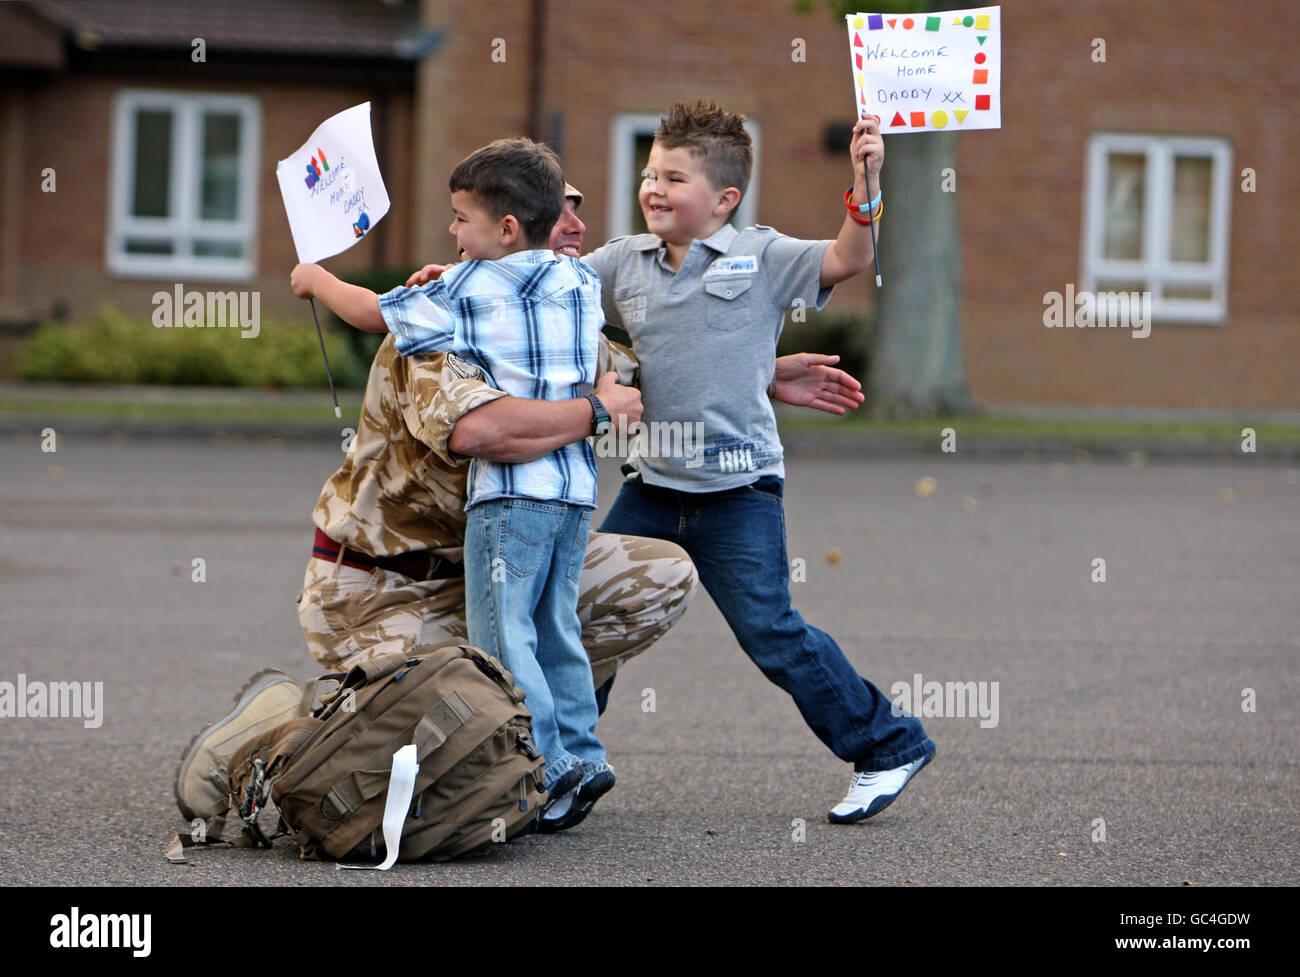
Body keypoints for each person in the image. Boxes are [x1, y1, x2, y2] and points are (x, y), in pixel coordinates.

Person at [175, 183, 695, 834]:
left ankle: (529, 750)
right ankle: (283, 730)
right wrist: (595, 411)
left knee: (658, 579)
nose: (577, 224)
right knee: (434, 741)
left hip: (487, 571)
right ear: (510, 226)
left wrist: (764, 375)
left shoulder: (560, 306)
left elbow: (641, 374)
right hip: (383, 589)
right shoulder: (441, 319)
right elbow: (479, 430)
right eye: (558, 208)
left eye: (580, 207)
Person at [579, 101, 936, 823]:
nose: (653, 188)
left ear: (724, 199)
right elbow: (551, 300)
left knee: (772, 631)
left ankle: (887, 743)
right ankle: (563, 763)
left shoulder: (762, 255)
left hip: (739, 494)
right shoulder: (621, 262)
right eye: (649, 172)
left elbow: (850, 258)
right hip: (651, 488)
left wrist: (866, 184)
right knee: (587, 617)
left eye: (673, 177)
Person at [292, 138, 618, 826]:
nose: (452, 231)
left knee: (503, 640)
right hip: (574, 494)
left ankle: (547, 768)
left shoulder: (462, 288)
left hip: (508, 497)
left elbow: (367, 312)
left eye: (461, 218)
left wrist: (314, 278)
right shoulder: (579, 282)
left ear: (502, 229)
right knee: (556, 627)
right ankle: (586, 755)